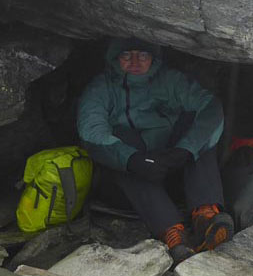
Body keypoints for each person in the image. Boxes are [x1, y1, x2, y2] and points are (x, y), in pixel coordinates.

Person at [77, 38, 233, 262]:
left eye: (142, 55)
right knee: (120, 137)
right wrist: (132, 160)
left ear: (153, 58)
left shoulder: (169, 81)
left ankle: (206, 215)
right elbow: (91, 132)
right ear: (114, 58)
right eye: (126, 56)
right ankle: (173, 232)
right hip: (129, 182)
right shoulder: (101, 89)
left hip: (170, 166)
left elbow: (209, 107)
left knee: (196, 128)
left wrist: (185, 151)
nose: (135, 62)